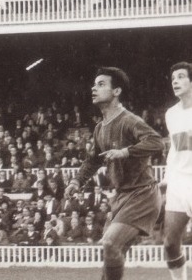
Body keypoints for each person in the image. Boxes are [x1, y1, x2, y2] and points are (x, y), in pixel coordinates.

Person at [64, 67, 164, 280]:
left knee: (109, 243)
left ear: (117, 91)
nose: (94, 88)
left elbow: (156, 142)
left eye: (101, 84)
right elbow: (93, 160)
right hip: (121, 197)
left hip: (142, 194)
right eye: (94, 84)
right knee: (109, 262)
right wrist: (76, 181)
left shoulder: (129, 120)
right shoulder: (100, 127)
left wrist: (125, 151)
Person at [163, 62, 192, 280]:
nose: (175, 81)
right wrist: (166, 177)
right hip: (178, 183)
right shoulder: (170, 114)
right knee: (171, 243)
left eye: (181, 76)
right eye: (173, 78)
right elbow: (174, 148)